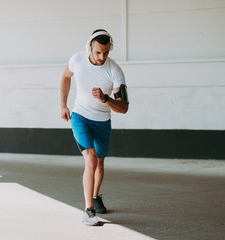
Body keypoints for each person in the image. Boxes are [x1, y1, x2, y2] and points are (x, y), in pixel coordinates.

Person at [60, 29, 129, 226]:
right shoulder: (77, 60)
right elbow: (66, 77)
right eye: (98, 52)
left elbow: (123, 108)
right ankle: (89, 209)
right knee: (90, 159)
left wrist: (105, 99)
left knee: (99, 163)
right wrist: (63, 105)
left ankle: (96, 196)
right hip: (80, 116)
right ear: (90, 47)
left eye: (106, 52)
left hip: (102, 121)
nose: (102, 57)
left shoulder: (114, 71)